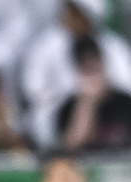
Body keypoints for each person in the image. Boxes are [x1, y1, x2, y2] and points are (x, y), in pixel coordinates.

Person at [22, 0, 131, 147]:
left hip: (109, 105)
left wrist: (99, 90)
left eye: (76, 12)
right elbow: (33, 87)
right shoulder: (47, 46)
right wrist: (72, 96)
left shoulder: (113, 45)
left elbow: (126, 84)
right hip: (60, 109)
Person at [57, 35, 131, 151]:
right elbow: (71, 146)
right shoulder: (68, 108)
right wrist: (86, 102)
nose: (92, 73)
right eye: (86, 67)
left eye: (95, 65)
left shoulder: (125, 103)